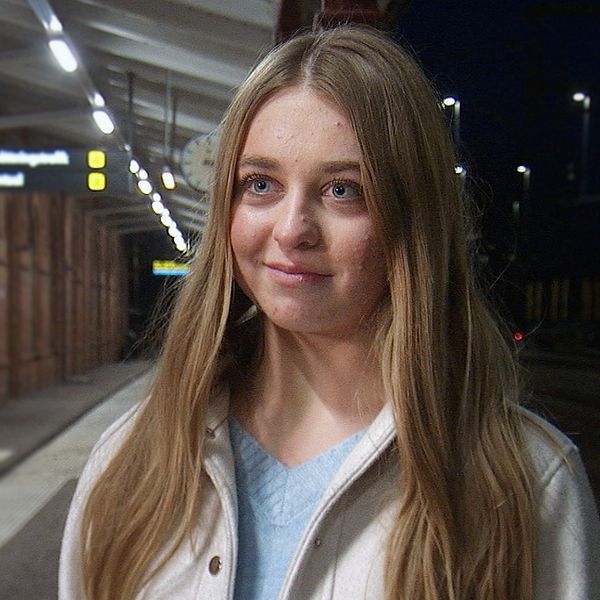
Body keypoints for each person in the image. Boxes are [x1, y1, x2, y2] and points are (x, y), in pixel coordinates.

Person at [59, 25, 600, 600]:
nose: (292, 229)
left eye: (343, 190)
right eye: (260, 184)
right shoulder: (131, 463)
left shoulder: (525, 486)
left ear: (412, 217)